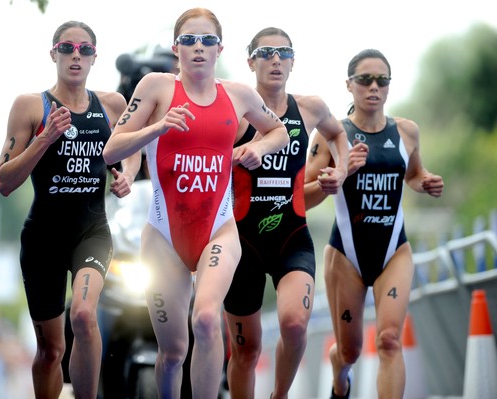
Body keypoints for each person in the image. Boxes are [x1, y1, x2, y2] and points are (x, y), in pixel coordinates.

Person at [102, 8, 289, 398]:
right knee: (172, 352)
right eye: (189, 40)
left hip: (217, 232)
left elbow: (280, 132)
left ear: (220, 48)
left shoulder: (238, 95)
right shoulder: (155, 87)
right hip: (163, 236)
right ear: (176, 49)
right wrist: (158, 126)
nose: (198, 47)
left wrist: (256, 147)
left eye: (207, 40)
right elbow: (111, 150)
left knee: (206, 319)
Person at [0, 21, 141, 399]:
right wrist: (45, 138)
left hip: (90, 231)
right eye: (67, 48)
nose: (76, 55)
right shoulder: (30, 106)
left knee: (83, 314)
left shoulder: (111, 105)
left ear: (94, 57)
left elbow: (131, 153)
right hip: (43, 236)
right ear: (54, 54)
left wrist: (125, 174)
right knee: (50, 350)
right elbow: (5, 182)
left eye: (85, 49)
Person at [305, 48, 444, 398]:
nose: (374, 87)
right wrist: (342, 170)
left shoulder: (407, 132)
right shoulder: (332, 135)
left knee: (388, 340)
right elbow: (302, 195)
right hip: (346, 257)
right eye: (365, 79)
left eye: (382, 80)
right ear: (349, 85)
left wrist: (426, 181)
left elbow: (413, 175)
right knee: (350, 351)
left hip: (393, 252)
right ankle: (341, 377)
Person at [221, 27, 349, 399]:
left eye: (283, 53)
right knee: (246, 349)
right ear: (250, 61)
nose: (275, 59)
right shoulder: (234, 110)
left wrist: (340, 170)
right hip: (241, 241)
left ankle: (279, 395)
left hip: (291, 237)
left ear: (292, 61)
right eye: (265, 53)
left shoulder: (309, 108)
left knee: (294, 324)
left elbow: (337, 134)